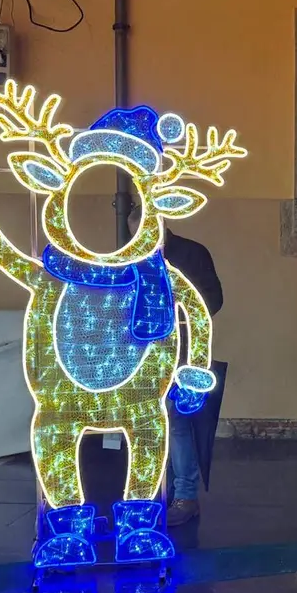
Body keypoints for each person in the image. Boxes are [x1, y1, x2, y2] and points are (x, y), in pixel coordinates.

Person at [128, 202, 223, 526]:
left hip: (178, 353)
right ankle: (160, 493)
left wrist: (176, 314)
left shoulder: (190, 255)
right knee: (151, 427)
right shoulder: (135, 256)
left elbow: (212, 300)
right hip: (143, 355)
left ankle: (184, 496)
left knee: (179, 427)